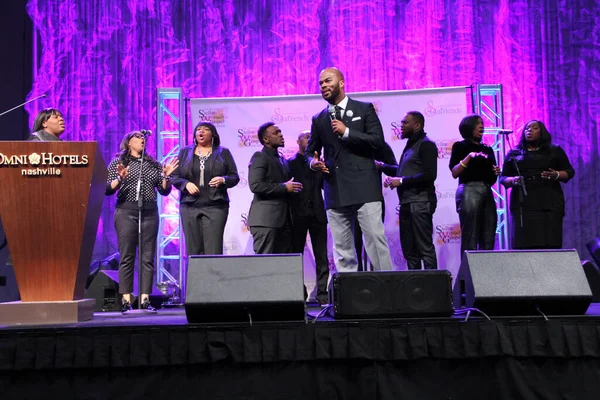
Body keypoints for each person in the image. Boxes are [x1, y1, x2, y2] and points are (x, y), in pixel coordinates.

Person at [307, 67, 393, 273]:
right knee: (342, 248)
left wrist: (347, 132)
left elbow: (377, 142)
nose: (324, 86)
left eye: (328, 81)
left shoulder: (365, 109)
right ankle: (350, 298)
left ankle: (390, 291)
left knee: (374, 240)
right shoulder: (319, 119)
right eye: (320, 84)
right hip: (334, 188)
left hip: (364, 186)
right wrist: (312, 162)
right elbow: (310, 151)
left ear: (342, 82)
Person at [105, 131, 179, 313]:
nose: (142, 140)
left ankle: (145, 298)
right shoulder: (119, 162)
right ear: (129, 142)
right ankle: (126, 299)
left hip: (149, 211)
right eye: (137, 137)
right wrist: (120, 178)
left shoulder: (152, 164)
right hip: (126, 210)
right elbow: (107, 189)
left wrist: (166, 177)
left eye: (143, 138)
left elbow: (164, 191)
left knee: (147, 256)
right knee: (127, 255)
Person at [500, 120, 575, 249]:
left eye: (534, 128)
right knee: (524, 244)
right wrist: (513, 180)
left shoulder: (554, 150)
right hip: (523, 204)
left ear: (542, 132)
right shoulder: (514, 153)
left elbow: (569, 172)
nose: (529, 130)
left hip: (549, 202)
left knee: (550, 243)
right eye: (527, 128)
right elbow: (503, 178)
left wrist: (556, 174)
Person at [171, 122, 239, 255]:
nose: (201, 132)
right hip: (189, 206)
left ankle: (213, 276)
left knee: (213, 249)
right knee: (193, 249)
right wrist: (186, 184)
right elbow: (174, 176)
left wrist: (223, 180)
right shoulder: (185, 152)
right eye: (198, 130)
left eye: (205, 130)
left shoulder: (223, 152)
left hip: (216, 206)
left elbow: (234, 177)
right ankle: (196, 276)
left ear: (213, 134)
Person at [384, 111, 438, 270]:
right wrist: (382, 166)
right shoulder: (411, 145)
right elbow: (402, 171)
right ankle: (416, 289)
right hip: (407, 203)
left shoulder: (426, 144)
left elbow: (429, 175)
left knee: (424, 249)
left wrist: (401, 181)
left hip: (420, 203)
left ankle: (434, 290)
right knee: (410, 251)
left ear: (417, 125)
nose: (401, 126)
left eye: (405, 123)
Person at [449, 114, 501, 255]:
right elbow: (455, 172)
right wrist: (470, 157)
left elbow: (491, 179)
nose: (482, 126)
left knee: (488, 236)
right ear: (469, 127)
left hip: (486, 191)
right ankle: (468, 275)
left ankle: (486, 274)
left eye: (482, 123)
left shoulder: (487, 149)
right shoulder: (460, 146)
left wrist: (495, 171)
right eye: (478, 123)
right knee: (470, 237)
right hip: (469, 191)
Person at [248, 122, 302, 254]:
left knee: (283, 265)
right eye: (276, 133)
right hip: (266, 221)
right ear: (265, 139)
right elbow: (256, 185)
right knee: (265, 265)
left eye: (280, 132)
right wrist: (284, 187)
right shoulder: (260, 157)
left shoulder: (282, 159)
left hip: (284, 221)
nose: (281, 135)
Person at [288, 130, 329, 305]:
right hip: (297, 214)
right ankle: (299, 293)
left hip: (318, 212)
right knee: (296, 255)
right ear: (298, 141)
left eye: (312, 136)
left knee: (321, 255)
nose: (310, 139)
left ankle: (322, 293)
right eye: (306, 136)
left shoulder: (320, 162)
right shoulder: (289, 163)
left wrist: (327, 171)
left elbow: (325, 186)